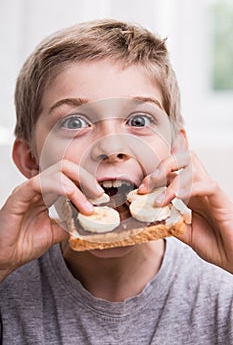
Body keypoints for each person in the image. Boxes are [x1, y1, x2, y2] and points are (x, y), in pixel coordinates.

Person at [1, 19, 233, 345]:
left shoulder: (222, 294)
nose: (111, 148)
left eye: (139, 120)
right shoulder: (7, 287)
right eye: (75, 122)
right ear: (30, 159)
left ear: (176, 149)